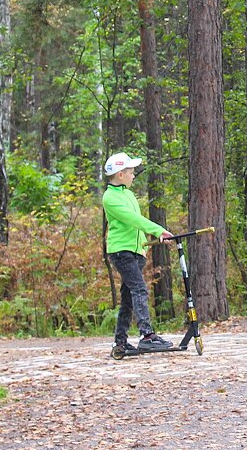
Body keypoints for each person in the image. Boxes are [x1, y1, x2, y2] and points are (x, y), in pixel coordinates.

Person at [102, 152, 173, 354]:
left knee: (127, 297)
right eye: (131, 172)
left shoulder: (129, 194)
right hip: (121, 252)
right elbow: (133, 219)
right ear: (120, 174)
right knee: (139, 289)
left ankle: (120, 341)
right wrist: (159, 230)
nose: (134, 175)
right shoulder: (110, 197)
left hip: (135, 252)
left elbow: (137, 224)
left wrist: (144, 243)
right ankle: (147, 335)